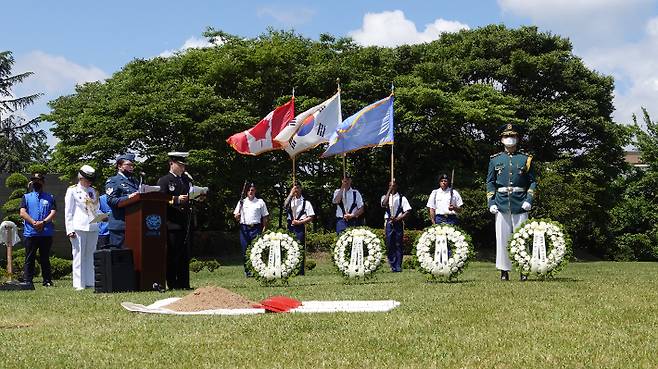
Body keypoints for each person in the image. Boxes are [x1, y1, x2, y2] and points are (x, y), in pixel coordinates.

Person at [487, 123, 537, 281]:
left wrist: (529, 199)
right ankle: (504, 270)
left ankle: (523, 269)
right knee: (502, 238)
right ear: (501, 139)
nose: (510, 139)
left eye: (513, 136)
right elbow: (490, 182)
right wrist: (491, 202)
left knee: (521, 237)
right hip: (501, 203)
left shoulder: (525, 159)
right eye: (507, 136)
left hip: (520, 203)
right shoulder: (495, 160)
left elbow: (533, 182)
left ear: (518, 138)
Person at [157, 152, 194, 290]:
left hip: (185, 222)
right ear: (172, 163)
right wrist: (176, 199)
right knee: (173, 255)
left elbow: (190, 195)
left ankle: (184, 283)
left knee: (184, 255)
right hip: (171, 223)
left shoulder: (185, 180)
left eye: (184, 165)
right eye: (180, 165)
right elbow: (160, 199)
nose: (183, 168)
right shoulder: (164, 180)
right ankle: (172, 283)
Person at [64, 165, 100, 291]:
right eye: (87, 179)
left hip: (93, 226)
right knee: (78, 255)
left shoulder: (94, 191)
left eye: (91, 179)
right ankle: (79, 283)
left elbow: (96, 209)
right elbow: (68, 212)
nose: (89, 182)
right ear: (81, 177)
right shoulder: (72, 190)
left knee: (90, 254)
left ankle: (90, 281)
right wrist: (70, 229)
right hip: (78, 226)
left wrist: (101, 218)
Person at [19, 172, 57, 287]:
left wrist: (44, 222)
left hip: (46, 233)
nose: (36, 182)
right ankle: (28, 280)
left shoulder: (50, 197)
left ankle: (47, 281)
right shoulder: (26, 197)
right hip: (31, 232)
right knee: (29, 257)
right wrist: (33, 222)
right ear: (32, 183)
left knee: (45, 257)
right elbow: (22, 212)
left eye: (38, 180)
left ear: (43, 182)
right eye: (34, 180)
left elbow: (53, 212)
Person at [233, 183, 269, 277]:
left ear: (255, 191)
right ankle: (247, 271)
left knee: (256, 250)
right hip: (244, 228)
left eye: (252, 190)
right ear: (246, 192)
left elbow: (265, 217)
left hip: (256, 228)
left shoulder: (260, 202)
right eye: (249, 190)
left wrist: (264, 228)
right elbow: (236, 216)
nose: (250, 192)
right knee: (245, 250)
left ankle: (256, 270)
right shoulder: (242, 202)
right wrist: (237, 216)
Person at [105, 153, 139, 248]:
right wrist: (129, 197)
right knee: (120, 258)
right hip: (120, 226)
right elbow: (111, 201)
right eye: (128, 165)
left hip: (134, 224)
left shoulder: (135, 181)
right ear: (119, 166)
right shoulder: (113, 181)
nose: (131, 167)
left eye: (132, 165)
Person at [284, 182, 315, 275]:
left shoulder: (306, 202)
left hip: (300, 226)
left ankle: (300, 270)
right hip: (290, 226)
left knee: (299, 248)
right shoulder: (290, 201)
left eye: (297, 188)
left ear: (301, 189)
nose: (296, 190)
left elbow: (311, 216)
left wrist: (300, 222)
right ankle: (290, 269)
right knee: (289, 247)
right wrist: (290, 194)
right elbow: (285, 206)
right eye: (294, 188)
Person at [380, 180, 412, 272]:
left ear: (397, 186)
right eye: (390, 185)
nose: (392, 187)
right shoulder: (385, 197)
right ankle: (392, 264)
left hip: (398, 222)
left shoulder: (402, 198)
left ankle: (398, 265)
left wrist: (398, 218)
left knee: (398, 244)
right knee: (390, 244)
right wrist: (389, 191)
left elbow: (407, 211)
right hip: (389, 222)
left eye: (393, 185)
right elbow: (383, 204)